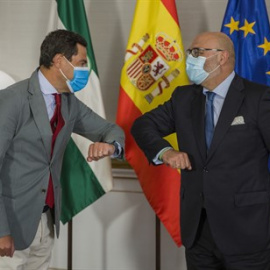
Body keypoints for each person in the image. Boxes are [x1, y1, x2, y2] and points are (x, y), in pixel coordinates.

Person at [131, 31, 270, 269]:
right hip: (198, 231)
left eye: (197, 52)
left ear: (222, 57)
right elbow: (143, 125)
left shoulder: (259, 98)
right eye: (190, 53)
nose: (190, 59)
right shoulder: (184, 97)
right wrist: (166, 152)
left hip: (247, 229)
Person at [0, 29, 124, 270]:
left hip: (46, 221)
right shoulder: (11, 100)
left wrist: (110, 146)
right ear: (59, 61)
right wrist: (1, 229)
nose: (85, 70)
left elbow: (110, 129)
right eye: (81, 63)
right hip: (11, 225)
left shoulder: (69, 103)